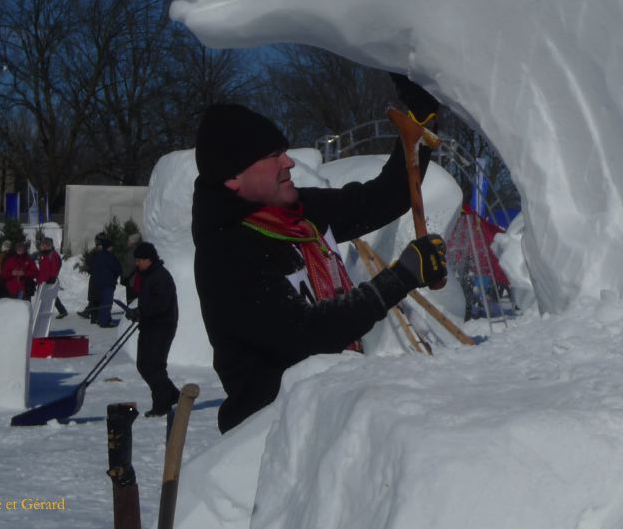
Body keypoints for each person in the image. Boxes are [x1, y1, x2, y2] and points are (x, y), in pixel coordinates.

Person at [192, 75, 448, 433]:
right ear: (233, 178)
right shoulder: (226, 253)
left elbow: (382, 200)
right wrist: (400, 277)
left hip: (328, 417)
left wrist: (420, 125)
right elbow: (307, 335)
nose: (289, 162)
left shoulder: (300, 212)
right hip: (267, 438)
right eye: (271, 156)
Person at [121, 241, 180, 417]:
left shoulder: (161, 276)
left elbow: (160, 305)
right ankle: (172, 394)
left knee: (154, 366)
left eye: (140, 260)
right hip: (148, 326)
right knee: (144, 365)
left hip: (162, 326)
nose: (137, 263)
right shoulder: (147, 275)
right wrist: (136, 312)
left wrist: (141, 312)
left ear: (150, 259)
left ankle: (162, 405)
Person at [87, 233, 122, 327]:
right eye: (111, 247)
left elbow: (91, 266)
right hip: (108, 282)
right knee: (107, 303)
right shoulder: (110, 257)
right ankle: (104, 321)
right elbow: (118, 269)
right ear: (109, 247)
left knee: (102, 302)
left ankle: (101, 319)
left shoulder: (97, 255)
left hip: (98, 283)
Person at [35, 237, 68, 319]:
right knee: (50, 296)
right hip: (42, 280)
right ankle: (62, 311)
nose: (44, 246)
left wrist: (51, 278)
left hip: (48, 280)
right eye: (43, 244)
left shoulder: (52, 255)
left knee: (48, 297)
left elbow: (55, 268)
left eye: (46, 244)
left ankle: (42, 314)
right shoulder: (43, 254)